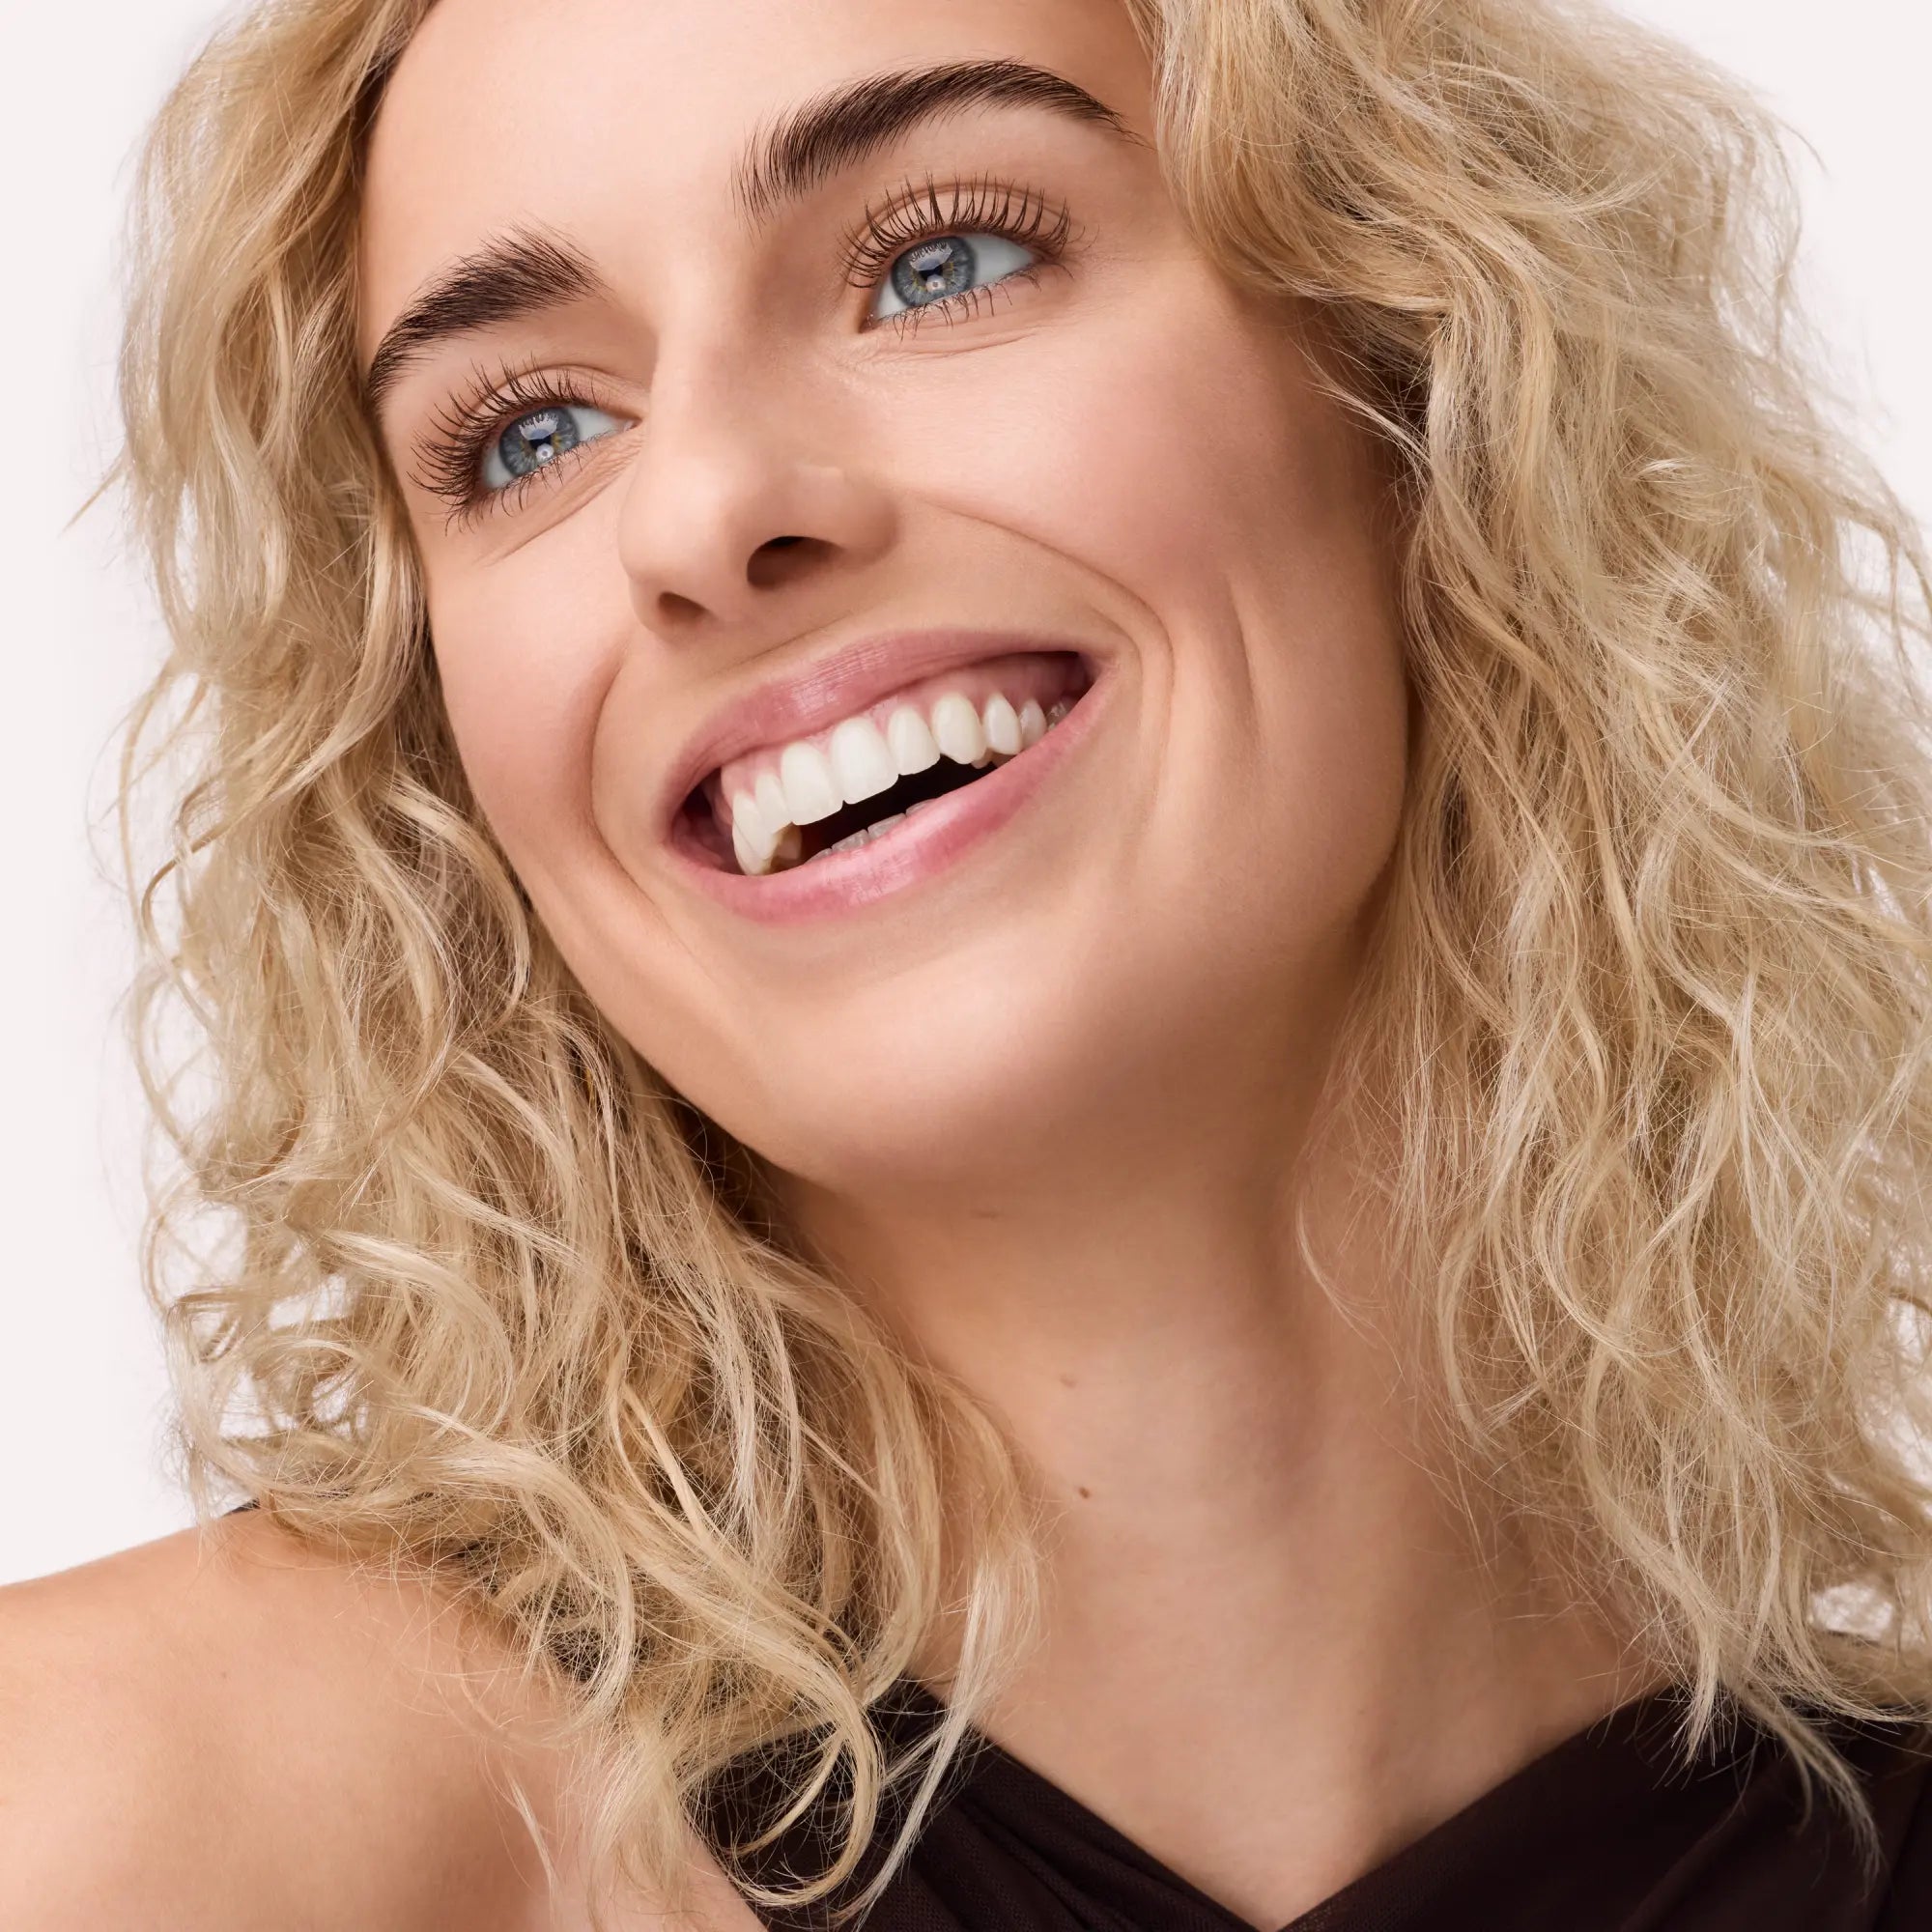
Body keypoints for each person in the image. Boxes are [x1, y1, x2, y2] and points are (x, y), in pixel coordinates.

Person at [4, 0, 1932, 1925]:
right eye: (535, 434)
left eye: (941, 264)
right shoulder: (115, 1822)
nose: (707, 514)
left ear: (1419, 381)